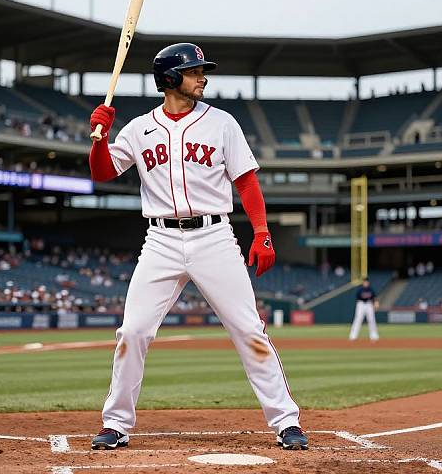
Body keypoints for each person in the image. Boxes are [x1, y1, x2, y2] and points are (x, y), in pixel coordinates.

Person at [88, 43, 308, 451]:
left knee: (248, 329)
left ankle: (286, 421)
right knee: (132, 331)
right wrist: (99, 136)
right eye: (193, 72)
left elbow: (246, 181)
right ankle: (116, 423)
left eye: (201, 71)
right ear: (171, 79)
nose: (202, 77)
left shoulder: (222, 123)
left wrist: (261, 232)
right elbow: (102, 172)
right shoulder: (138, 129)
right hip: (160, 239)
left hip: (214, 236)